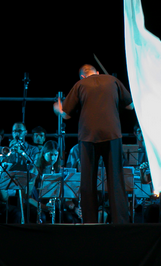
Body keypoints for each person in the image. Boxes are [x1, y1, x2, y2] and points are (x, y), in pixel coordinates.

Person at [53, 64, 134, 224]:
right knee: (116, 180)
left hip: (88, 136)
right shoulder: (112, 80)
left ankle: (90, 222)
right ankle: (120, 223)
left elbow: (67, 115)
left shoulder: (80, 84)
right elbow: (131, 106)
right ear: (97, 72)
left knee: (87, 182)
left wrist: (58, 110)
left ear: (83, 76)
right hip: (112, 134)